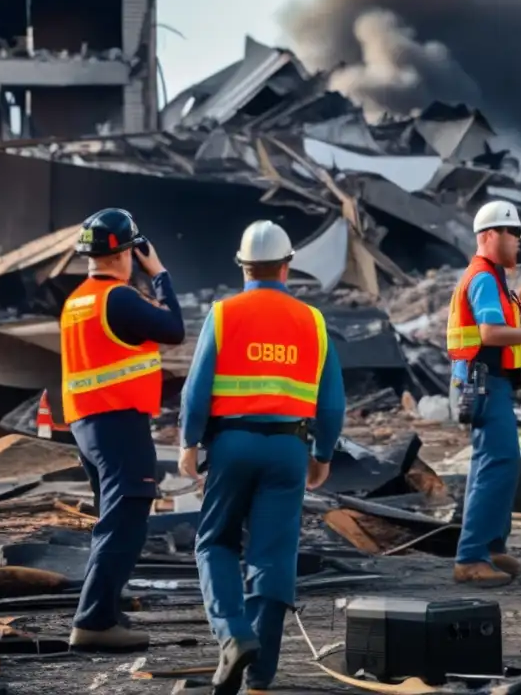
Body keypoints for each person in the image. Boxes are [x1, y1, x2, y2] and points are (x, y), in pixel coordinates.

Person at [178, 220, 345, 695]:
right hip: (289, 449)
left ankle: (233, 633)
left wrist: (189, 443)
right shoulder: (313, 321)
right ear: (287, 265)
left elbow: (197, 390)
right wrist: (323, 453)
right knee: (273, 556)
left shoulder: (224, 314)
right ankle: (260, 675)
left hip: (231, 445)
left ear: (243, 266)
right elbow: (331, 402)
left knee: (215, 543)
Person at [61, 208, 185, 652]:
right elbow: (175, 328)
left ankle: (106, 610)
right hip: (118, 422)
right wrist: (161, 273)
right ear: (128, 251)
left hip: (87, 425)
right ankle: (94, 621)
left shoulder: (77, 300)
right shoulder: (120, 298)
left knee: (113, 521)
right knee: (126, 522)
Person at [447, 200, 521, 587]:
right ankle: (471, 556)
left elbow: (496, 319)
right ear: (489, 235)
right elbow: (490, 334)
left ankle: (489, 546)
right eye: (513, 232)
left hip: (486, 381)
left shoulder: (492, 279)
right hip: (485, 381)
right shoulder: (485, 278)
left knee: (490, 465)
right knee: (499, 462)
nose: (519, 241)